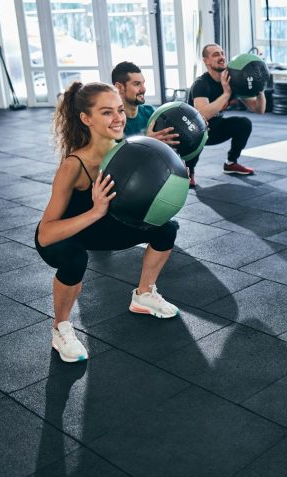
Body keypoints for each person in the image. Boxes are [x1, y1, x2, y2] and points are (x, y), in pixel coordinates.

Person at [36, 81, 181, 363]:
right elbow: (45, 234)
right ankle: (61, 328)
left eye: (119, 110)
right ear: (85, 118)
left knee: (166, 229)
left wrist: (163, 166)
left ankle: (143, 295)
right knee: (75, 259)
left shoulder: (127, 150)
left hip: (102, 228)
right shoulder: (73, 166)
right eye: (106, 113)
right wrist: (94, 211)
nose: (117, 118)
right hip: (67, 235)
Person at [185, 43, 266, 187]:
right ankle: (188, 171)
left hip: (216, 129)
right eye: (216, 55)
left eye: (222, 53)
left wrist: (260, 88)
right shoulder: (201, 84)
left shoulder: (233, 80)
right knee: (197, 130)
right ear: (206, 61)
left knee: (244, 123)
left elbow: (259, 109)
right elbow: (203, 114)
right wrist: (226, 93)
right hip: (193, 131)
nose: (221, 57)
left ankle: (231, 163)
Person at [111, 61, 179, 145]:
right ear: (119, 87)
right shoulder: (112, 121)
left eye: (143, 83)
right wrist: (147, 142)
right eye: (137, 84)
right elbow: (114, 156)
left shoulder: (151, 113)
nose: (143, 89)